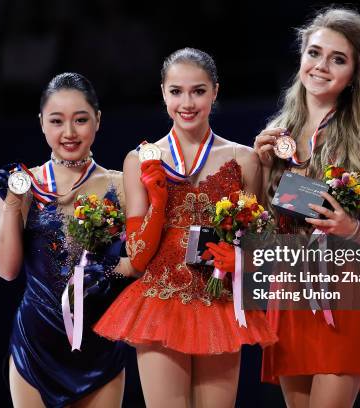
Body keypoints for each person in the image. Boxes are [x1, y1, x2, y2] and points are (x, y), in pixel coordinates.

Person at [94, 48, 277, 408]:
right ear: (163, 92)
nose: (187, 102)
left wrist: (239, 258)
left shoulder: (245, 159)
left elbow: (260, 247)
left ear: (215, 92)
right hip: (161, 303)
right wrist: (159, 202)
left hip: (219, 303)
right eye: (176, 91)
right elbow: (139, 255)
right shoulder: (140, 160)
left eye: (198, 91)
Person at [253, 8, 360, 408]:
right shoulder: (275, 135)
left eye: (338, 59)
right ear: (301, 57)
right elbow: (260, 235)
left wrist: (351, 229)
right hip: (289, 291)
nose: (321, 66)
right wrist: (259, 170)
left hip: (342, 294)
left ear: (354, 74)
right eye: (314, 53)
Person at [0, 72, 136, 408]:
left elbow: (142, 263)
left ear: (98, 121)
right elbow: (6, 269)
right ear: (42, 123)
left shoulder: (122, 185)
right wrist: (13, 205)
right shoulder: (25, 185)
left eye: (81, 120)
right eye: (57, 121)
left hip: (100, 347)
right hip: (36, 346)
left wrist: (111, 269)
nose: (69, 133)